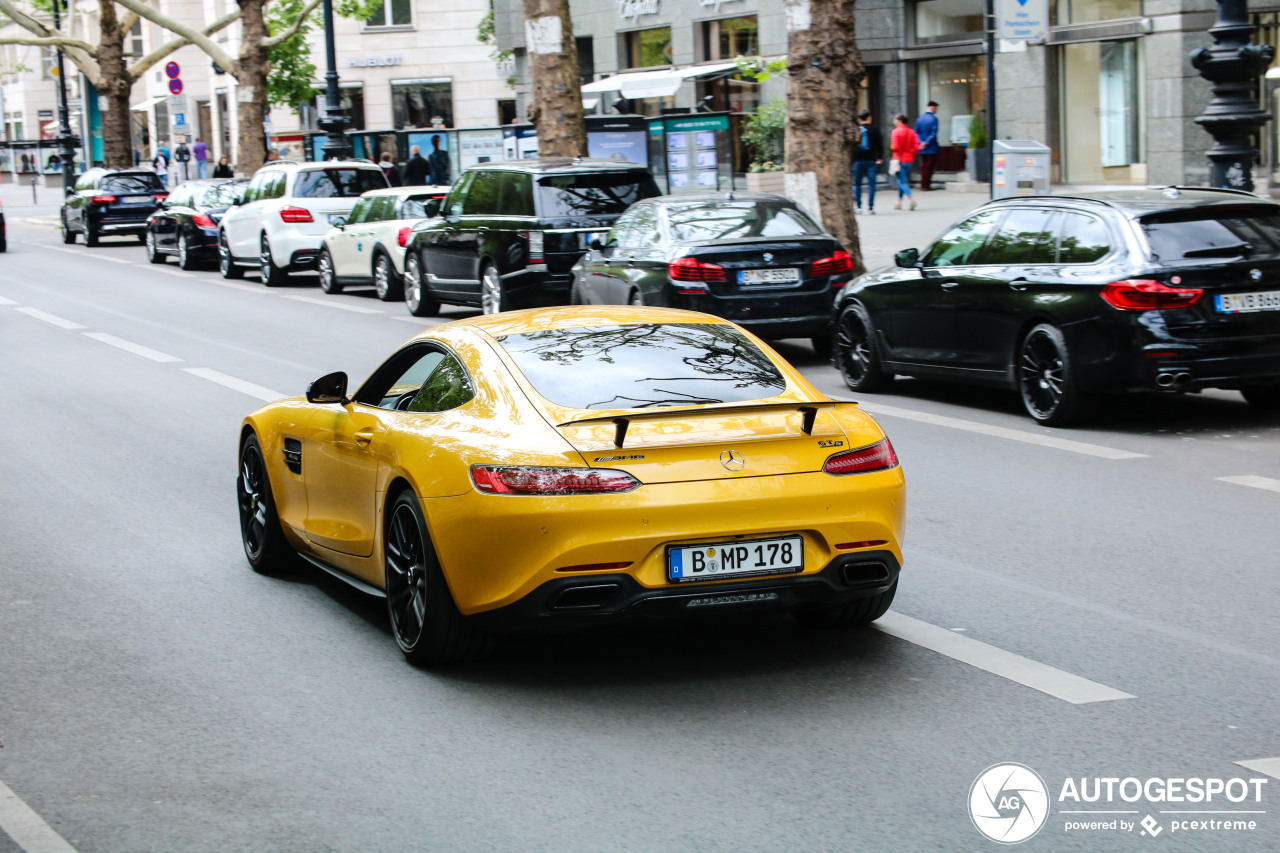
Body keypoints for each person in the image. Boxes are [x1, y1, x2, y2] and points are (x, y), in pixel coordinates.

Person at [852, 110, 884, 215]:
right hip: (871, 160)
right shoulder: (875, 129)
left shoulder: (857, 130)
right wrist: (879, 157)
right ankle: (870, 207)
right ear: (869, 117)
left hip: (858, 159)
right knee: (872, 185)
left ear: (860, 119)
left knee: (857, 184)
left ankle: (859, 206)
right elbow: (880, 144)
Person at [890, 113, 919, 211]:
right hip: (909, 159)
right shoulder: (911, 132)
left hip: (899, 159)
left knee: (901, 181)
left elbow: (895, 147)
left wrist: (892, 148)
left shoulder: (895, 132)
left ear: (899, 121)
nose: (893, 121)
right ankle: (899, 202)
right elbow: (916, 147)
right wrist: (910, 153)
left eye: (894, 120)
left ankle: (911, 199)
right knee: (902, 181)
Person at [915, 101, 940, 191]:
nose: (936, 110)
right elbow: (933, 133)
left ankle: (923, 184)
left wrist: (920, 142)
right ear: (932, 107)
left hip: (921, 147)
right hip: (931, 147)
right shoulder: (934, 119)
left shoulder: (920, 118)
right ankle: (927, 185)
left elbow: (916, 132)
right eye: (936, 108)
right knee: (930, 166)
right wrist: (926, 142)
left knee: (923, 166)